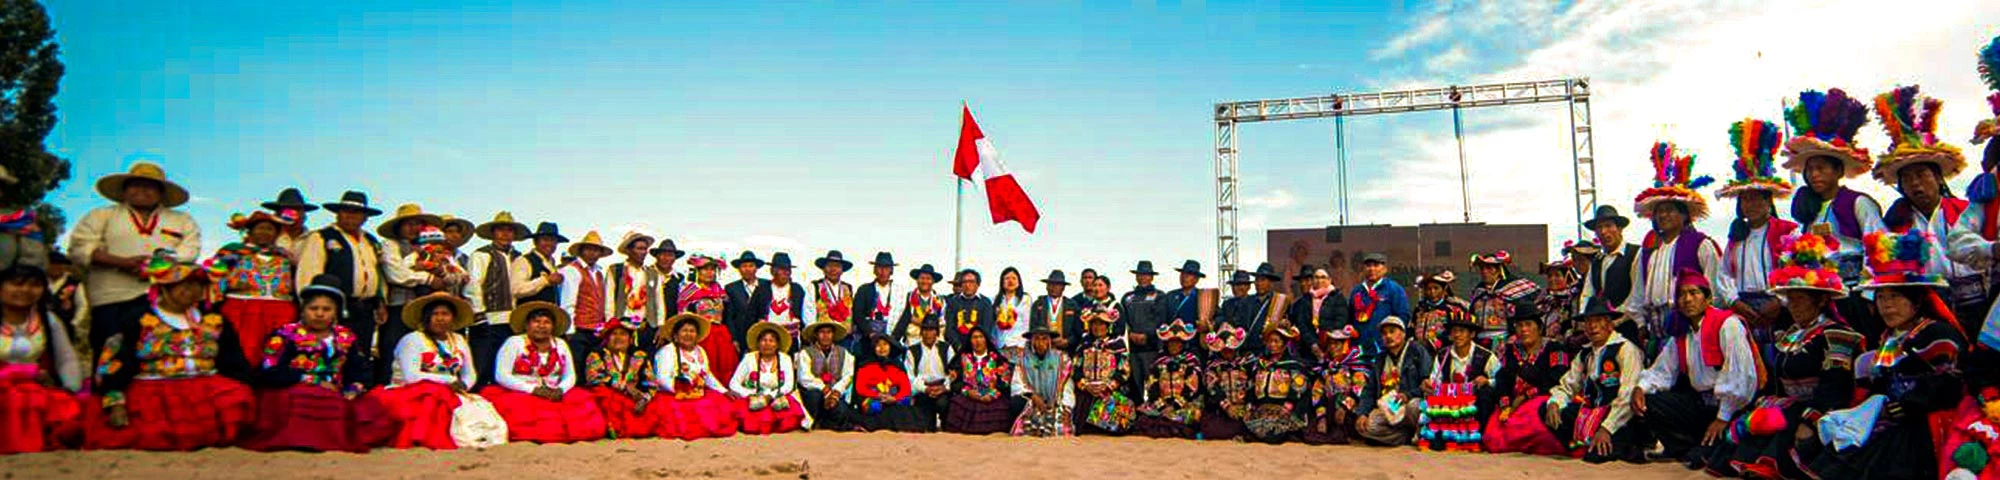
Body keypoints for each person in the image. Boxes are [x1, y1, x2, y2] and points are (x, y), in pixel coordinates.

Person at [1808, 230, 1969, 479]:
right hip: (1893, 417)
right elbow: (1881, 384)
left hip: (1923, 421)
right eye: (1881, 297)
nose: (1887, 305)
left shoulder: (1937, 334)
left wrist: (1908, 404)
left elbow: (1949, 384)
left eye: (1895, 297)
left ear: (1915, 302)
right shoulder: (1888, 338)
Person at [1718, 232, 1861, 479]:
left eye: (1800, 299)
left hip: (1821, 411)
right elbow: (1778, 384)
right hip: (1789, 406)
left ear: (1820, 301)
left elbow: (1834, 389)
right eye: (1790, 300)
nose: (1793, 306)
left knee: (1784, 421)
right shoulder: (1792, 334)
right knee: (1754, 424)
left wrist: (1810, 420)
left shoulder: (1837, 335)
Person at [83, 254, 254, 451]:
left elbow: (234, 361)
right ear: (164, 287)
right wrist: (115, 401)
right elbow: (115, 361)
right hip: (155, 388)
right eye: (183, 284)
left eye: (197, 285)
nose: (191, 291)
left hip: (204, 386)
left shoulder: (214, 320)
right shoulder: (138, 319)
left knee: (237, 396)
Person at [294, 192, 435, 388]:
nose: (351, 216)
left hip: (365, 307)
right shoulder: (322, 237)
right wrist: (312, 307)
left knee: (359, 354)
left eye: (357, 212)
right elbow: (308, 273)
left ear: (365, 217)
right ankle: (325, 393)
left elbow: (377, 275)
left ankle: (355, 394)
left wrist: (380, 301)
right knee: (329, 351)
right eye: (346, 211)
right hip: (334, 306)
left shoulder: (370, 241)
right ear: (338, 214)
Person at [1873, 87, 1980, 336]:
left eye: (1922, 175)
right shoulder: (1896, 223)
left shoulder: (1966, 211)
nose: (1916, 184)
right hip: (1930, 303)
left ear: (1939, 179)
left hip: (1976, 296)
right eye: (1907, 178)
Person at [1781, 89, 1888, 338]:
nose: (1814, 175)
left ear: (1838, 171)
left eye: (1821, 168)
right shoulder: (1808, 214)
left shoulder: (1858, 203)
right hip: (1821, 300)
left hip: (1854, 295)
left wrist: (1870, 295)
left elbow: (1879, 246)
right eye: (1810, 170)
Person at [68, 163, 203, 357]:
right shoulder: (101, 215)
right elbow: (80, 249)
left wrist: (155, 268)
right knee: (110, 355)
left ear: (161, 193)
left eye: (150, 186)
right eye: (136, 185)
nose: (142, 190)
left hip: (165, 300)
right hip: (112, 298)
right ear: (125, 190)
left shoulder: (182, 220)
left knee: (160, 354)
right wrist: (122, 263)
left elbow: (190, 251)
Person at [1633, 269, 1760, 472]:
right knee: (1649, 402)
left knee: (1715, 460)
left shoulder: (1727, 324)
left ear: (1708, 298)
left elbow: (1741, 375)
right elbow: (1662, 370)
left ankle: (1703, 447)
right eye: (1682, 294)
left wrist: (1723, 417)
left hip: (1730, 409)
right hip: (1702, 404)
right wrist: (1641, 387)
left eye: (1694, 293)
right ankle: (1691, 447)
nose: (1687, 300)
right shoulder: (1682, 334)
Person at [1625, 142, 1731, 349]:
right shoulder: (1647, 252)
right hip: (1654, 328)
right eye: (1660, 211)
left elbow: (1714, 287)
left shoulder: (1701, 244)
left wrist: (1703, 322)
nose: (1664, 215)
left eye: (1671, 209)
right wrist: (1640, 324)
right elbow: (1638, 293)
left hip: (1691, 325)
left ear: (1684, 215)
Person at [357, 292, 480, 450]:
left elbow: (470, 373)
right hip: (410, 393)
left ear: (453, 317)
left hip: (449, 392)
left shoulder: (459, 340)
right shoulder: (412, 340)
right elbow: (411, 376)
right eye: (435, 314)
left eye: (445, 314)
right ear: (426, 317)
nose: (440, 318)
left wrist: (464, 386)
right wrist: (449, 381)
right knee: (432, 399)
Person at [478, 301, 607, 444]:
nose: (541, 326)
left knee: (583, 401)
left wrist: (561, 389)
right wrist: (533, 389)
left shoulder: (561, 344)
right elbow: (501, 375)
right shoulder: (514, 342)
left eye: (547, 322)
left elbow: (570, 375)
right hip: (521, 392)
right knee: (526, 410)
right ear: (527, 325)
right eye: (536, 321)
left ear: (553, 327)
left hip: (554, 392)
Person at [1541, 299, 1649, 464]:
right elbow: (1568, 385)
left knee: (1595, 457)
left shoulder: (1625, 349)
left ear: (1609, 325)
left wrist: (1607, 428)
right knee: (1546, 409)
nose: (1593, 326)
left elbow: (1628, 394)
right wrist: (1555, 402)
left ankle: (1622, 445)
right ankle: (1589, 442)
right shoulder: (1585, 354)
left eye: (1598, 321)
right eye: (1589, 322)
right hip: (1592, 415)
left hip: (1621, 418)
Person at [0, 264, 84, 454]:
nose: (25, 291)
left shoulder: (48, 320)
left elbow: (67, 358)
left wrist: (69, 388)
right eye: (16, 284)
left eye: (34, 285)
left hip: (35, 390)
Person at [372, 204, 459, 385]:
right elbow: (397, 275)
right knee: (392, 352)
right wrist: (427, 277)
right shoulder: (391, 245)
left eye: (418, 224)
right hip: (398, 308)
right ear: (399, 227)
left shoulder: (433, 247)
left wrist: (441, 272)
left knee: (425, 355)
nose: (414, 228)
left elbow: (456, 276)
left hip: (425, 311)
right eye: (408, 224)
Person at [1717, 119, 1803, 302]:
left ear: (1768, 202)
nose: (1751, 204)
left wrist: (1779, 302)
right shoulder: (1736, 237)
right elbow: (1724, 274)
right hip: (1743, 304)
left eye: (1757, 198)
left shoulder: (1787, 231)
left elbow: (1798, 269)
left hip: (1779, 304)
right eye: (1746, 199)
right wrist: (1735, 302)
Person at [1482, 305, 1574, 456]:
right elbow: (1502, 377)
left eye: (1528, 325)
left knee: (1534, 427)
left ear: (1539, 328)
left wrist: (1526, 396)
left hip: (1542, 398)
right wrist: (1505, 404)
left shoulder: (1556, 349)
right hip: (1513, 404)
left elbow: (1558, 378)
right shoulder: (1511, 350)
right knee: (1493, 437)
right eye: (1519, 326)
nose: (1524, 330)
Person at [215, 211, 299, 367]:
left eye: (270, 229)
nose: (265, 232)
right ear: (250, 230)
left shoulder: (284, 256)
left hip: (279, 309)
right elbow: (215, 276)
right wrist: (230, 284)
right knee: (242, 349)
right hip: (243, 308)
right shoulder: (232, 251)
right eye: (260, 228)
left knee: (275, 350)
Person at [462, 212, 529, 388]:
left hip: (514, 319)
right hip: (489, 318)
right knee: (483, 365)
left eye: (509, 230)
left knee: (508, 367)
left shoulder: (519, 257)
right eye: (501, 230)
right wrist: (479, 313)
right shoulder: (482, 255)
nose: (505, 234)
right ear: (493, 233)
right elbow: (473, 284)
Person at [651, 312, 739, 440]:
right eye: (684, 331)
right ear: (675, 335)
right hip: (674, 395)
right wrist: (683, 389)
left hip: (697, 392)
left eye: (692, 331)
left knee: (720, 402)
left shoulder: (700, 351)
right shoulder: (666, 352)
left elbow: (707, 375)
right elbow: (662, 378)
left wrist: (723, 391)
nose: (688, 335)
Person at [1422, 310, 1501, 452]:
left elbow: (1500, 380)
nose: (1457, 335)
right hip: (1450, 407)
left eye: (1462, 331)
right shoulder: (1442, 355)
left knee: (1486, 393)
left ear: (1472, 334)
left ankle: (1481, 436)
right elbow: (1435, 380)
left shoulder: (1486, 356)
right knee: (1437, 444)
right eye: (1454, 331)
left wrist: (1487, 381)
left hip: (1474, 408)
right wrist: (1429, 385)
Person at [1356, 316, 1433, 446]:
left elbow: (1428, 385)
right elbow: (1370, 390)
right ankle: (1405, 436)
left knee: (1414, 406)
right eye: (1384, 334)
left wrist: (1408, 395)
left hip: (1411, 404)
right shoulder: (1380, 359)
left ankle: (1417, 432)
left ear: (1403, 333)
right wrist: (1362, 413)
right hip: (1390, 408)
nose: (1388, 336)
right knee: (1367, 427)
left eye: (1392, 331)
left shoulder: (1417, 351)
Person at [583, 316, 660, 439]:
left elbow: (651, 383)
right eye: (614, 334)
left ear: (630, 339)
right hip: (610, 395)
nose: (618, 338)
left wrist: (644, 398)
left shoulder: (639, 356)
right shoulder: (597, 355)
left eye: (623, 334)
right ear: (607, 338)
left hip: (634, 398)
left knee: (656, 405)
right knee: (603, 395)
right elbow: (594, 378)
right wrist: (625, 388)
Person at [731, 321, 807, 435]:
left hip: (777, 397)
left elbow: (789, 384)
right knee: (752, 422)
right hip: (753, 398)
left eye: (771, 341)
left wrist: (770, 396)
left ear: (777, 344)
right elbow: (734, 383)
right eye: (764, 340)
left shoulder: (785, 359)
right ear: (758, 343)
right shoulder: (749, 358)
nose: (767, 344)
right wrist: (749, 394)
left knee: (787, 418)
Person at [1132, 317, 1201, 439]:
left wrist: (1174, 406)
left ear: (1183, 343)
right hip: (1161, 403)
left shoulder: (1191, 361)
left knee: (1193, 416)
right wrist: (1162, 406)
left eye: (1177, 342)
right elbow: (1152, 385)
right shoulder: (1159, 362)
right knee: (1142, 417)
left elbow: (1192, 388)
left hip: (1183, 404)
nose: (1174, 345)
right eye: (1171, 342)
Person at [676, 255, 740, 384]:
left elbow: (728, 317)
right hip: (701, 335)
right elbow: (683, 317)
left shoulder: (720, 292)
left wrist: (733, 338)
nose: (709, 273)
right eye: (705, 269)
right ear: (698, 272)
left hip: (721, 335)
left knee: (726, 367)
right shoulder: (689, 292)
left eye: (712, 270)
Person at [1072, 302, 1134, 435]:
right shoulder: (1084, 344)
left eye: (1101, 323)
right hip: (1087, 390)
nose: (1097, 327)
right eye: (1094, 323)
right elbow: (1075, 368)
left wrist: (1107, 386)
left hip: (1109, 390)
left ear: (1108, 326)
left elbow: (1124, 370)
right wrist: (1085, 385)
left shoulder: (1118, 344)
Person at [558, 231, 613, 376]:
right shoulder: (572, 270)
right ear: (581, 250)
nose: (592, 253)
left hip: (596, 329)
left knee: (593, 370)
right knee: (577, 367)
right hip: (579, 329)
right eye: (589, 249)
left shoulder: (599, 273)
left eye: (596, 250)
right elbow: (568, 301)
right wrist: (570, 330)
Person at [1244, 322, 1310, 443]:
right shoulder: (1261, 364)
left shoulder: (1294, 365)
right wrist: (1250, 406)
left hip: (1285, 409)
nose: (1272, 345)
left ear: (1284, 344)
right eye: (1270, 341)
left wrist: (1287, 407)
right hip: (1263, 409)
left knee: (1274, 434)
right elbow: (1251, 386)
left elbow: (1299, 387)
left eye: (1276, 341)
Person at [944, 327, 1017, 435]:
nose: (977, 341)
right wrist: (968, 392)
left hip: (992, 396)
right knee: (956, 403)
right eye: (974, 337)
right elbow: (955, 383)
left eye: (980, 337)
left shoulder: (997, 359)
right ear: (970, 340)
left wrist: (991, 394)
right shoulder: (962, 359)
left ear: (986, 340)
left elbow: (1004, 383)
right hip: (969, 396)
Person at [1303, 326, 1369, 445]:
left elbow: (1359, 389)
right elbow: (1317, 392)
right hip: (1330, 410)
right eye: (1330, 344)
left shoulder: (1355, 366)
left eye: (1337, 344)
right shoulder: (1326, 369)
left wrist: (1344, 408)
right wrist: (1321, 415)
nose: (1333, 347)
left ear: (1345, 345)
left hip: (1350, 410)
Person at [1011, 316, 1074, 437]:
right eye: (1037, 339)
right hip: (1032, 403)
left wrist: (1063, 403)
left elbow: (1067, 385)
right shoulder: (1023, 359)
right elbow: (1017, 383)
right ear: (1032, 341)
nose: (1041, 343)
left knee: (1059, 425)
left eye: (1044, 339)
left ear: (1050, 341)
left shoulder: (1062, 359)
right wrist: (1033, 396)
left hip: (1055, 403)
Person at [852, 332, 927, 432]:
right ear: (873, 348)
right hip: (873, 399)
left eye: (885, 344)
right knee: (876, 408)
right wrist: (877, 395)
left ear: (890, 347)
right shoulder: (865, 365)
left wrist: (894, 398)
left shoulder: (897, 365)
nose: (882, 348)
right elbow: (860, 388)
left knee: (905, 407)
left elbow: (906, 388)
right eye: (878, 345)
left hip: (893, 399)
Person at [1468, 251, 1541, 349]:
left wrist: (1513, 336)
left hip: (1504, 341)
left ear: (1499, 270)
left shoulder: (1511, 290)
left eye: (1489, 268)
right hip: (1479, 341)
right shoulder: (1478, 292)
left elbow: (1518, 317)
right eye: (1482, 268)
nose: (1485, 271)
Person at [795, 318, 855, 432]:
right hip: (813, 392)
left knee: (842, 411)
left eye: (829, 332)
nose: (825, 336)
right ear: (816, 335)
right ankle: (816, 420)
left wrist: (836, 391)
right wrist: (823, 388)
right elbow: (804, 377)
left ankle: (826, 423)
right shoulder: (806, 353)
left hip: (835, 393)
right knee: (814, 397)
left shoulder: (843, 352)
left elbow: (848, 375)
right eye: (822, 332)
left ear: (833, 334)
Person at [1120, 261, 1167, 401]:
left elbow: (1161, 321)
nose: (1142, 277)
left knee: (1153, 385)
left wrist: (1147, 336)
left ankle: (1153, 420)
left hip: (1152, 349)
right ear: (1136, 276)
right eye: (1140, 274)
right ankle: (1136, 417)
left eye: (1146, 275)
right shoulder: (1127, 297)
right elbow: (1123, 321)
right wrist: (1130, 334)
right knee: (1134, 386)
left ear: (1151, 277)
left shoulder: (1159, 296)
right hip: (1133, 349)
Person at [1580, 206, 1641, 312]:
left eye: (1608, 226)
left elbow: (1637, 294)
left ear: (1619, 229)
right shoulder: (1597, 261)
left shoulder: (1635, 253)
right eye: (1599, 227)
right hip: (1603, 324)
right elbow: (1587, 294)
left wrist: (1617, 318)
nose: (1603, 232)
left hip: (1630, 322)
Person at [1350, 253, 1410, 357]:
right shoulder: (1357, 291)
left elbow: (1403, 316)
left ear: (1385, 269)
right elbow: (1350, 318)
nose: (1372, 269)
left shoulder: (1394, 289)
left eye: (1376, 265)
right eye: (1368, 265)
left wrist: (1393, 340)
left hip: (1385, 347)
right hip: (1360, 348)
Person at [1199, 322, 1252, 441]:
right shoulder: (1212, 367)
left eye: (1230, 349)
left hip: (1244, 407)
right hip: (1222, 409)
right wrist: (1227, 406)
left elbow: (1252, 386)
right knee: (1214, 429)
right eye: (1225, 350)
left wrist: (1247, 407)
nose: (1228, 352)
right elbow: (1213, 389)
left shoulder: (1247, 364)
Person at [1291, 267, 1351, 359]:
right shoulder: (1305, 299)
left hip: (1332, 347)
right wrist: (1313, 344)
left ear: (1329, 280)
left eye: (1323, 277)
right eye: (1317, 277)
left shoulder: (1337, 297)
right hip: (1308, 348)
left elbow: (1341, 321)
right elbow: (1301, 324)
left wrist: (1327, 340)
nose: (1319, 280)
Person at [907, 317, 955, 431]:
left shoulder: (946, 348)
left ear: (937, 332)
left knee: (943, 404)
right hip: (923, 390)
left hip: (942, 388)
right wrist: (925, 389)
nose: (928, 334)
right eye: (925, 330)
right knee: (926, 426)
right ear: (921, 332)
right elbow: (910, 377)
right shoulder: (913, 351)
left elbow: (953, 374)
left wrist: (944, 387)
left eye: (932, 330)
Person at [604, 232, 658, 330]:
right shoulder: (616, 270)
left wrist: (660, 325)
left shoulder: (652, 273)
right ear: (629, 250)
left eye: (645, 249)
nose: (644, 252)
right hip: (622, 324)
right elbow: (609, 298)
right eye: (639, 248)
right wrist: (610, 322)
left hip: (646, 325)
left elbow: (659, 300)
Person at [758, 253, 811, 350]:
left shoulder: (797, 290)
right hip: (767, 339)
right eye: (781, 269)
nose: (785, 273)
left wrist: (805, 341)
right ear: (773, 271)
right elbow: (752, 314)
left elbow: (804, 315)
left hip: (791, 338)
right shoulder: (762, 289)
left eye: (788, 270)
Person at [1412, 270, 1473, 353]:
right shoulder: (1420, 308)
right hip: (1419, 352)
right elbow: (1412, 327)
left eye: (1436, 288)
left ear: (1444, 289)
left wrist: (1434, 343)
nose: (1432, 292)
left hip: (1445, 351)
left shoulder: (1453, 308)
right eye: (1428, 289)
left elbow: (1456, 331)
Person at [851, 252, 902, 350]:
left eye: (886, 268)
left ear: (891, 270)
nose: (882, 271)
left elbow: (904, 316)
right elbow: (857, 313)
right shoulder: (864, 289)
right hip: (868, 338)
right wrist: (870, 333)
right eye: (879, 267)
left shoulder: (899, 292)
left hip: (891, 337)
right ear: (874, 270)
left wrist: (894, 337)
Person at [810, 250, 856, 351]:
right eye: (830, 265)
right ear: (824, 269)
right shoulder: (815, 286)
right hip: (822, 338)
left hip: (845, 338)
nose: (833, 269)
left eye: (837, 266)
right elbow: (808, 313)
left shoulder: (848, 288)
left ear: (842, 270)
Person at [891, 264, 946, 347]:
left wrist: (918, 321)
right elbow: (903, 321)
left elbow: (942, 324)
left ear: (933, 281)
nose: (925, 281)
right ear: (917, 280)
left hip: (934, 342)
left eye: (928, 279)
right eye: (922, 278)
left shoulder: (940, 300)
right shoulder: (908, 298)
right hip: (912, 341)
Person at [645, 239, 687, 347]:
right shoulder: (645, 274)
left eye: (670, 255)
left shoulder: (679, 278)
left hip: (671, 327)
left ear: (674, 258)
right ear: (657, 256)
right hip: (646, 326)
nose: (666, 258)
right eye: (662, 254)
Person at [724, 251, 768, 352]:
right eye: (744, 266)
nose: (747, 269)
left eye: (751, 266)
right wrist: (733, 339)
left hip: (763, 335)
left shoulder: (766, 285)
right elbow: (729, 317)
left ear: (756, 268)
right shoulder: (731, 288)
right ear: (739, 269)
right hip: (741, 336)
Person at [946, 269, 998, 354]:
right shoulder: (953, 302)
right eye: (964, 282)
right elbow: (950, 328)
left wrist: (976, 346)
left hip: (979, 350)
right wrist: (958, 346)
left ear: (978, 284)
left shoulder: (985, 302)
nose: (967, 285)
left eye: (971, 282)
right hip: (957, 350)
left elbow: (987, 327)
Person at [1536, 261, 1586, 348]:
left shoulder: (1575, 299)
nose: (1552, 279)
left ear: (1568, 277)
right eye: (1549, 276)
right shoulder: (1542, 300)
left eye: (1557, 275)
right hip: (1544, 348)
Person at [259, 188, 317, 259]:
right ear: (277, 215)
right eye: (287, 212)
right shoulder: (269, 237)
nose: (292, 216)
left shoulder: (314, 239)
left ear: (304, 215)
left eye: (297, 211)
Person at [1029, 270, 1077, 353]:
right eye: (1051, 284)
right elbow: (1033, 327)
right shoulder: (1038, 304)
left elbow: (1077, 330)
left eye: (1057, 285)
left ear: (1063, 287)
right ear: (1046, 286)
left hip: (1066, 350)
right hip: (1042, 350)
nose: (1053, 287)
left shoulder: (1072, 305)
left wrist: (1068, 341)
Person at [992, 267, 1033, 364]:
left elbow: (1027, 324)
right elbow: (993, 325)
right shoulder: (995, 300)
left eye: (1014, 278)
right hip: (1000, 346)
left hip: (1018, 346)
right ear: (1002, 282)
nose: (1010, 281)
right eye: (1007, 278)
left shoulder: (1025, 299)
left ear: (1019, 282)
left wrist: (1022, 344)